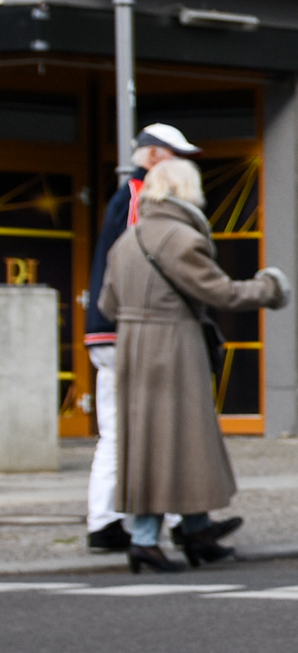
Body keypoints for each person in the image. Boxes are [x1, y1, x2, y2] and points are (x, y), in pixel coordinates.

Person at [96, 156, 290, 573]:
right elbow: (223, 294)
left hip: (133, 348)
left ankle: (197, 531)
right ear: (187, 190)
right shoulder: (181, 239)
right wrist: (271, 288)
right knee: (170, 443)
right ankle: (147, 540)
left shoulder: (126, 241)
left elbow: (106, 304)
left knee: (157, 441)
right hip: (172, 348)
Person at [80, 123, 203, 554]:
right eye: (174, 155)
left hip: (108, 328)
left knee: (119, 427)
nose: (180, 165)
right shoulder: (137, 199)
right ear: (152, 156)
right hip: (127, 330)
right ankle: (173, 522)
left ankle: (110, 521)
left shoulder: (123, 198)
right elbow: (142, 262)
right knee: (150, 425)